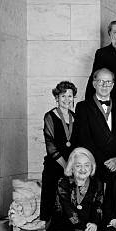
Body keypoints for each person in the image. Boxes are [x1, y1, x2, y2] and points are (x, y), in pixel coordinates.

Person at [74, 68, 116, 182]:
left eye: (108, 82)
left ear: (113, 85)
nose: (105, 85)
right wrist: (103, 162)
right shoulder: (83, 107)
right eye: (101, 81)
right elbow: (84, 138)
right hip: (95, 166)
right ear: (94, 84)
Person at [40, 81, 77, 223]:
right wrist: (66, 166)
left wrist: (72, 166)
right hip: (54, 168)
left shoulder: (75, 117)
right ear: (57, 97)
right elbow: (51, 146)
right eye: (63, 96)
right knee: (52, 207)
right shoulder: (49, 116)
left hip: (71, 168)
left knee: (68, 208)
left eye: (70, 96)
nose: (67, 99)